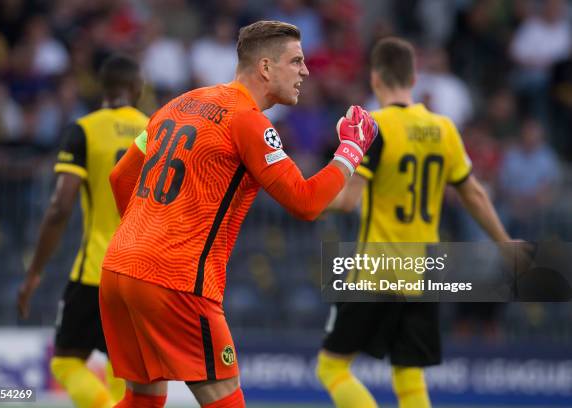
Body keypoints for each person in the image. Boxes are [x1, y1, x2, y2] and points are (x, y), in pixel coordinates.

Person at [99, 20, 378, 408]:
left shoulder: (177, 104)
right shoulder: (248, 121)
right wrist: (350, 150)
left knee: (143, 400)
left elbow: (119, 177)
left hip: (118, 269)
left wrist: (148, 233)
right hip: (175, 278)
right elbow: (305, 202)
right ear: (265, 67)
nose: (306, 71)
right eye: (296, 61)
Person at [315, 37, 513, 408]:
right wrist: (503, 241)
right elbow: (473, 193)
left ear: (375, 79)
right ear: (414, 77)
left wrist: (302, 196)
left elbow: (346, 202)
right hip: (423, 270)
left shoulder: (375, 127)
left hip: (377, 268)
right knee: (408, 373)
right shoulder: (444, 129)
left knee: (331, 368)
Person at [17, 55, 148, 408]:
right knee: (129, 373)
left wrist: (34, 274)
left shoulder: (85, 130)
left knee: (65, 361)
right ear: (137, 88)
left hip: (96, 271)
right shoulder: (156, 131)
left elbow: (61, 206)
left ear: (103, 89)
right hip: (143, 274)